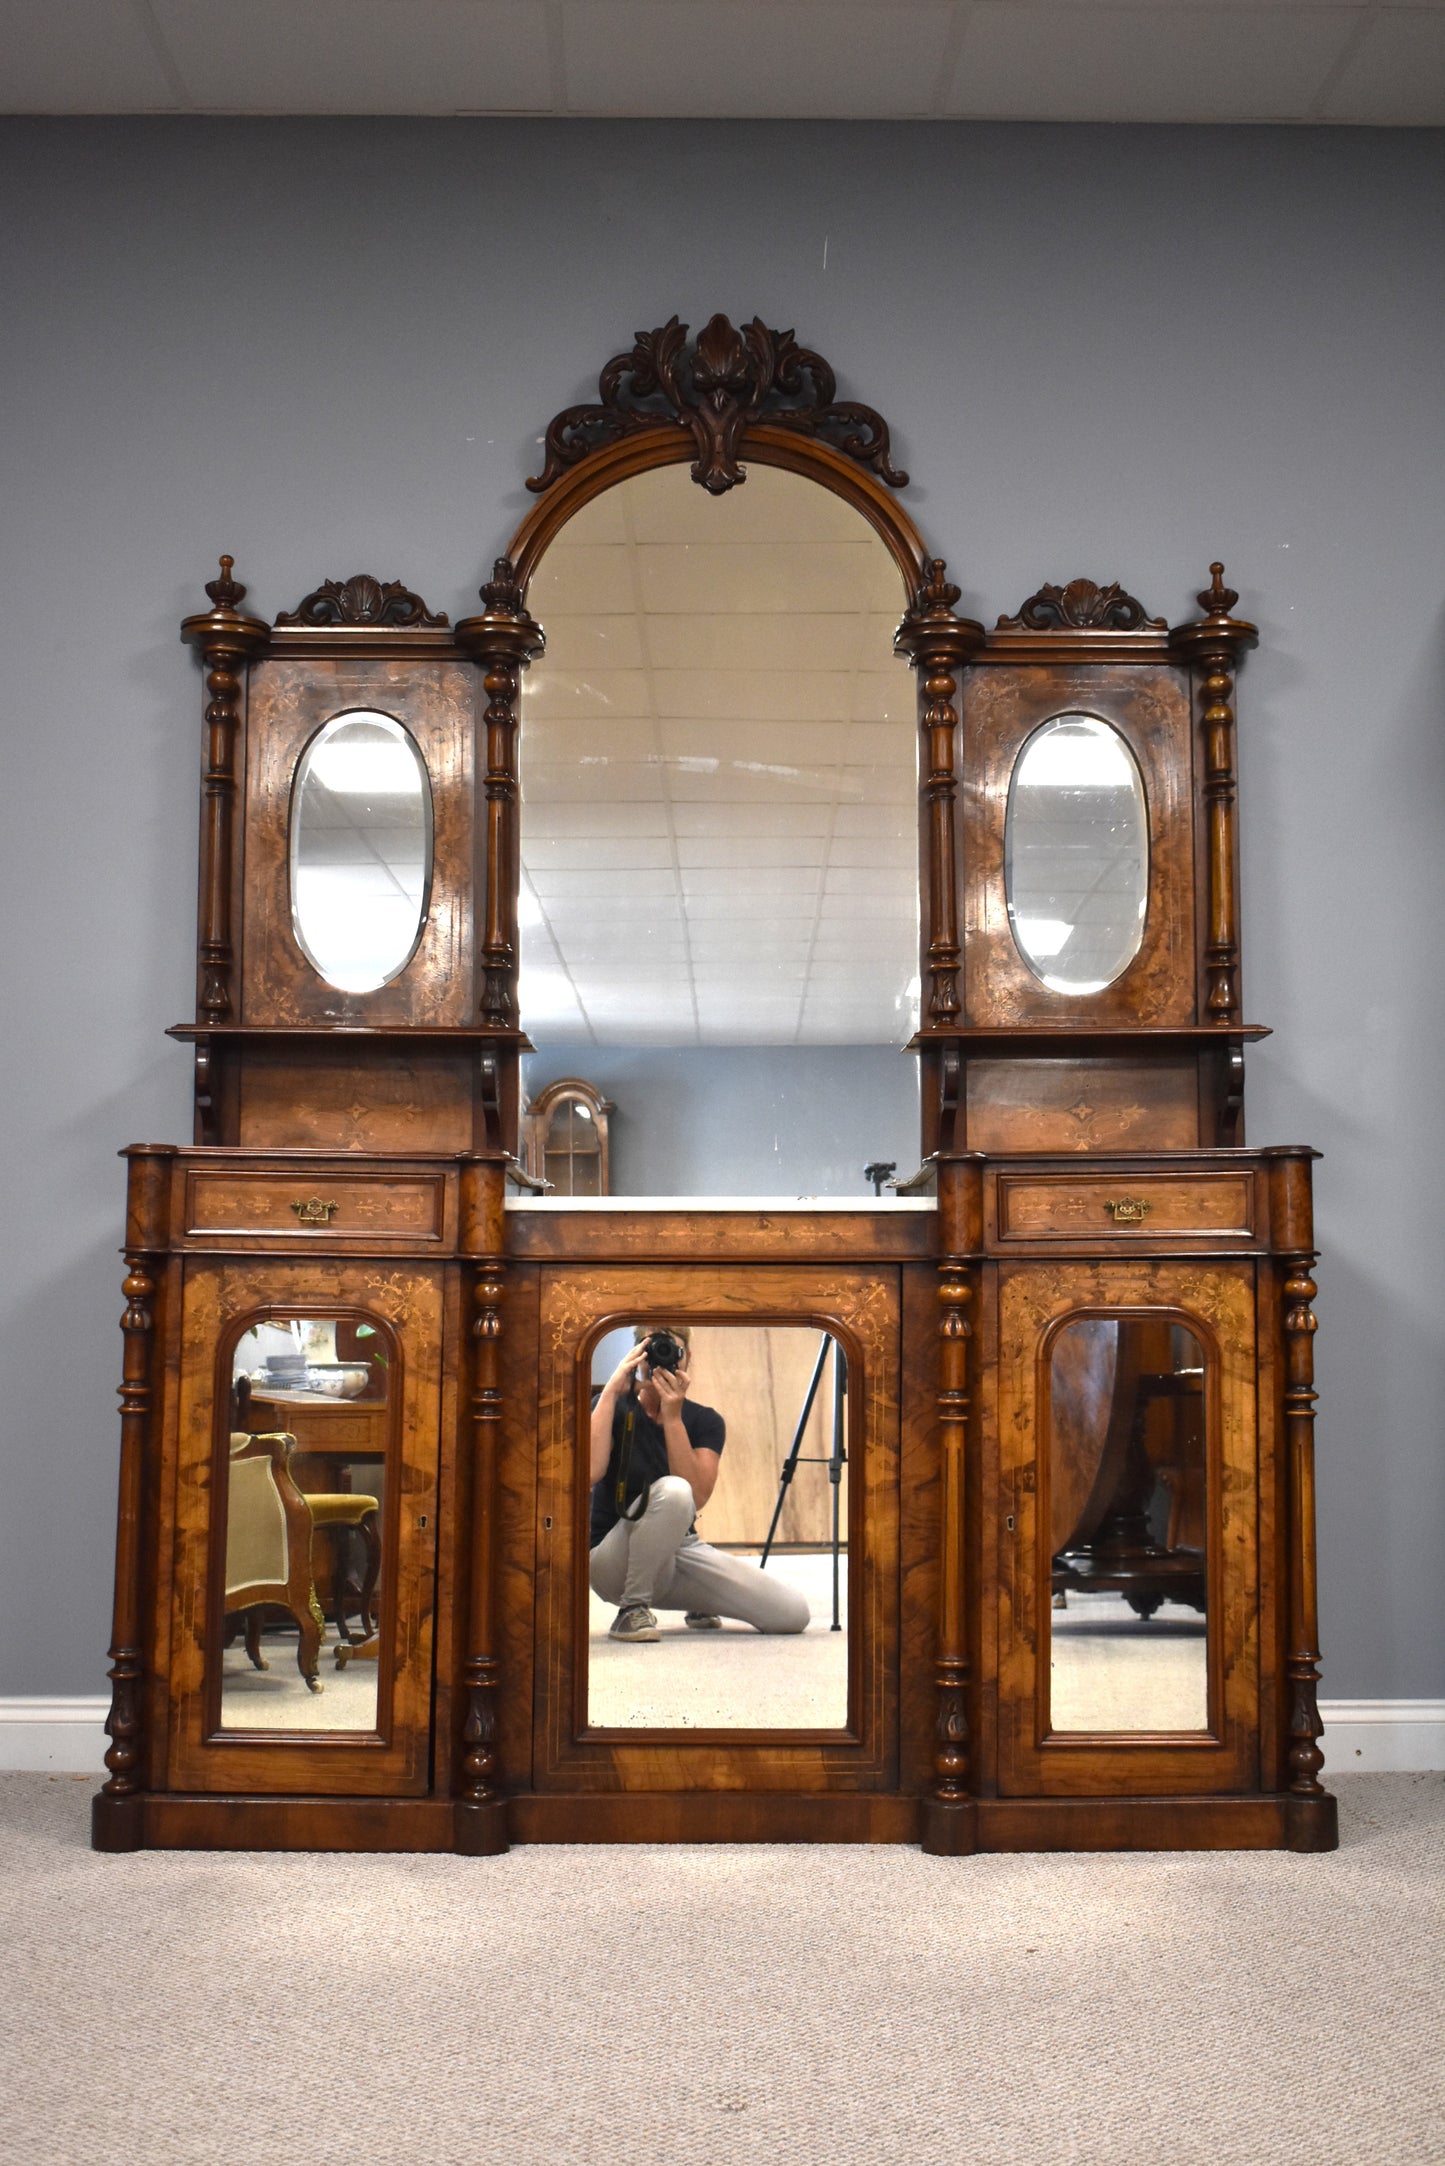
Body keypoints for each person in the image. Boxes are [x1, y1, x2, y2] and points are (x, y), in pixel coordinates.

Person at [588, 1326, 810, 1642]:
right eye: (649, 1348)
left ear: (687, 1358)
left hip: (679, 1550)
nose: (658, 1359)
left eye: (670, 1350)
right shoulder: (610, 1403)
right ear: (635, 1356)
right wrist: (611, 1391)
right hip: (613, 1562)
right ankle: (632, 1609)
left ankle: (697, 1599)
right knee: (673, 1491)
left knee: (792, 1613)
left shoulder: (704, 1421)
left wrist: (673, 1417)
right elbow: (589, 1473)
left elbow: (698, 1496)